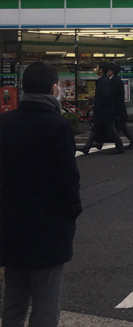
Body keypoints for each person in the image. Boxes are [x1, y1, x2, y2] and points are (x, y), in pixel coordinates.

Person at [0, 61, 82, 327]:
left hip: (9, 228)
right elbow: (68, 181)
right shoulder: (56, 126)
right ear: (53, 88)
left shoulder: (5, 123)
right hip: (48, 229)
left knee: (12, 305)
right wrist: (71, 214)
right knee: (45, 307)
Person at [81, 62, 125, 154]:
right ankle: (87, 147)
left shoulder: (102, 81)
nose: (95, 69)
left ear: (101, 70)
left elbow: (106, 95)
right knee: (96, 129)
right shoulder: (105, 80)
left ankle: (119, 146)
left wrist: (98, 103)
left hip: (104, 111)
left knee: (110, 129)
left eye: (97, 68)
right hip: (105, 110)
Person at [108, 63, 133, 149]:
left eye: (108, 71)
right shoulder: (118, 80)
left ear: (111, 71)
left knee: (117, 126)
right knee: (122, 126)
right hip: (120, 107)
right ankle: (132, 141)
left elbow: (113, 95)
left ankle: (121, 144)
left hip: (117, 108)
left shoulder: (113, 81)